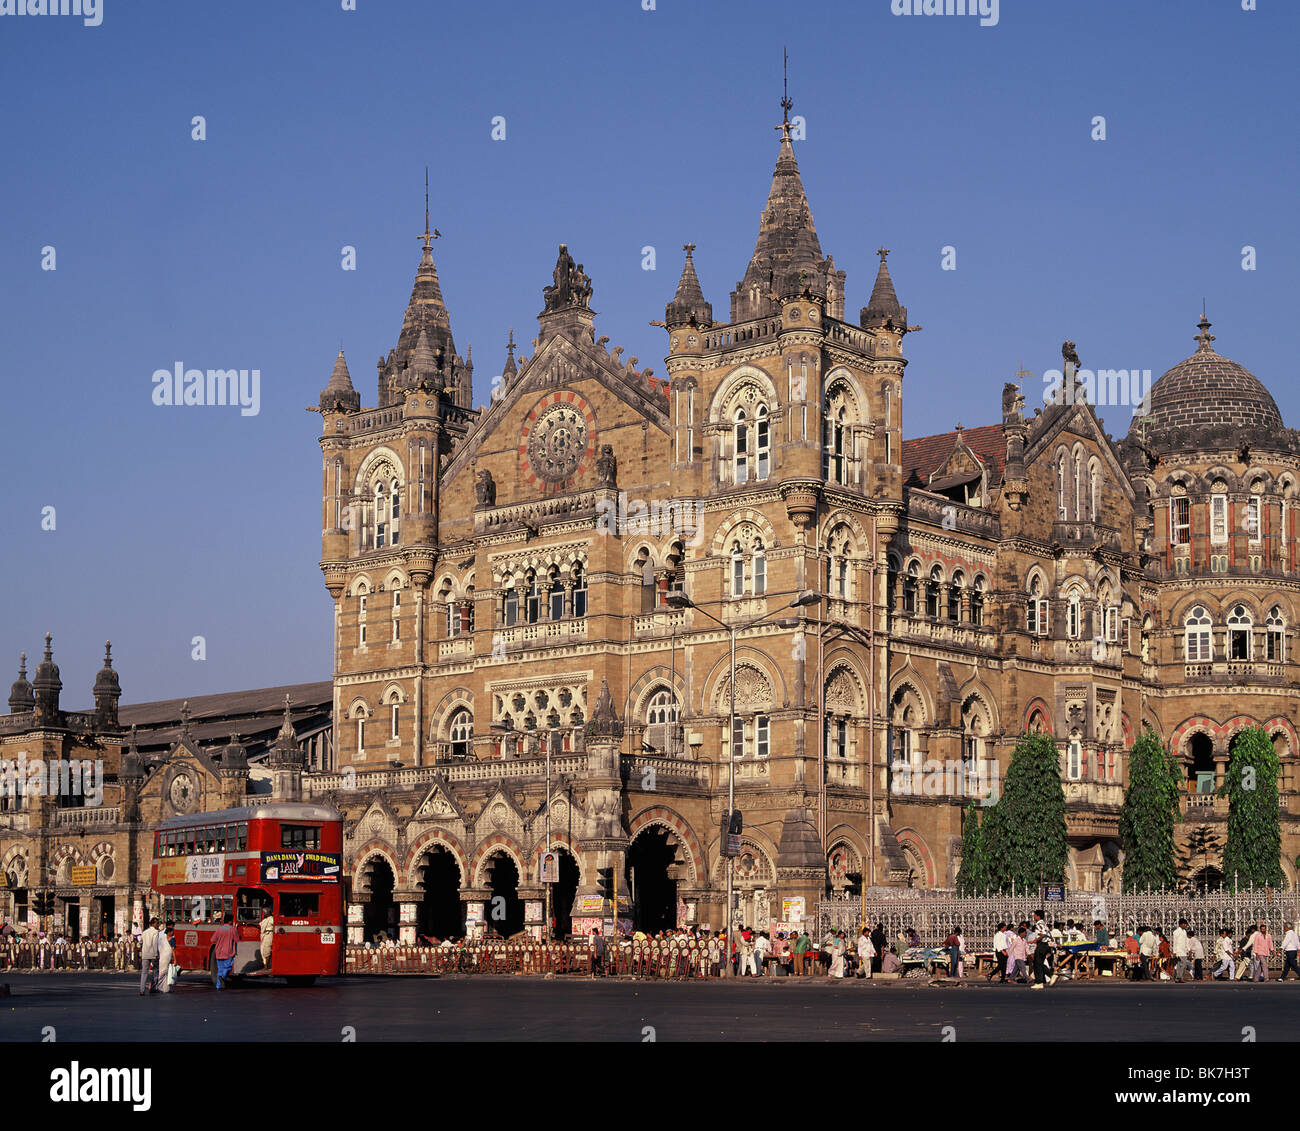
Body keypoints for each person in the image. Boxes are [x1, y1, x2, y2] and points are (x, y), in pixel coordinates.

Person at [212, 912, 239, 990]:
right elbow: (237, 939)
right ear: (230, 921)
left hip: (218, 952)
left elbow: (212, 939)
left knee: (220, 969)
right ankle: (223, 978)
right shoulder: (233, 929)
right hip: (228, 952)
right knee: (228, 967)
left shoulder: (219, 929)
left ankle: (218, 986)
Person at [139, 917, 161, 996]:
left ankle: (142, 990)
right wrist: (156, 954)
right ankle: (153, 987)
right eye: (157, 923)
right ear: (154, 924)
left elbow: (141, 941)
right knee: (155, 970)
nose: (158, 925)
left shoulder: (144, 932)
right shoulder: (155, 932)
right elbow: (155, 943)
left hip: (145, 953)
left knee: (144, 972)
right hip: (152, 954)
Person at [157, 922, 175, 994]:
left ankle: (165, 988)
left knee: (165, 972)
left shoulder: (160, 934)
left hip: (161, 955)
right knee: (164, 973)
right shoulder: (171, 938)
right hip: (166, 956)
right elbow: (173, 950)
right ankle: (158, 986)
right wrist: (175, 959)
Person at [259, 907, 274, 972]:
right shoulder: (266, 919)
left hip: (269, 935)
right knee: (263, 950)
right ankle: (265, 965)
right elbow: (260, 925)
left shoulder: (271, 919)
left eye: (264, 913)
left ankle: (266, 967)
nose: (263, 914)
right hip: (265, 936)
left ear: (267, 913)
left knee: (267, 950)